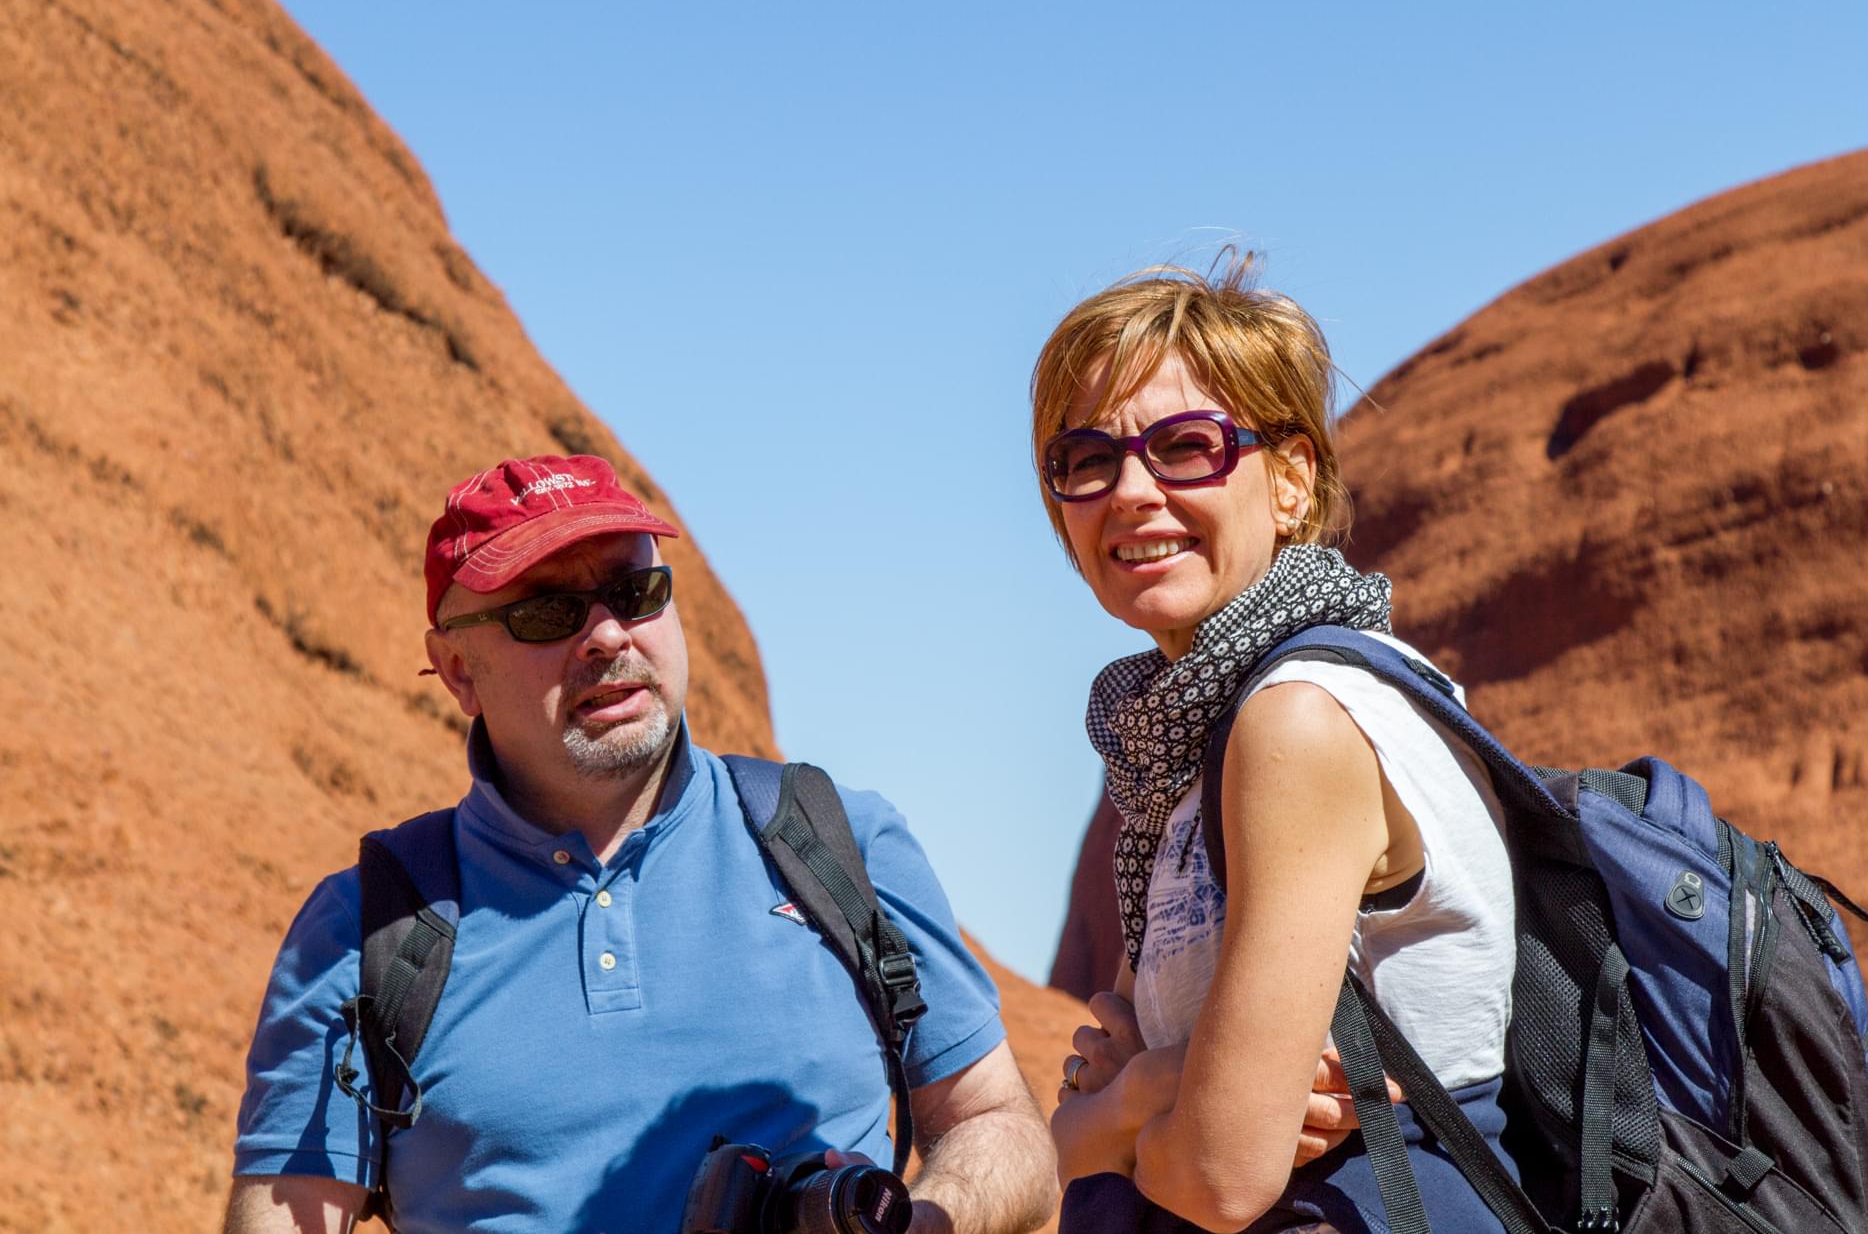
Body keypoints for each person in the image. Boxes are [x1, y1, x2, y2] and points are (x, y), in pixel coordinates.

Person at [224, 454, 1058, 1234]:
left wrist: (911, 1221)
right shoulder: (369, 926)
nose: (608, 637)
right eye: (548, 610)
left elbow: (998, 1123)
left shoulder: (838, 841)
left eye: (635, 591)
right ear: (457, 669)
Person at [1033, 259, 1517, 1232]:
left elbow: (1217, 1176)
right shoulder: (1184, 745)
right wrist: (1143, 1100)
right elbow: (1059, 1146)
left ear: (1290, 479)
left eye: (1184, 447)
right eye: (1084, 459)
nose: (1129, 491)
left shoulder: (1296, 717)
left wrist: (1131, 1107)